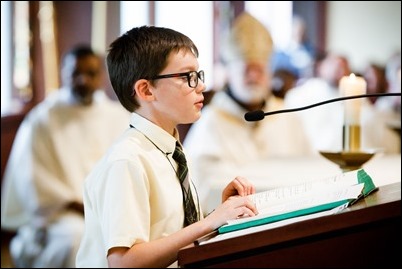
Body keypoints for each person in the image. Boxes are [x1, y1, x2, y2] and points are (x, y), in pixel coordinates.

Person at [75, 26, 258, 268]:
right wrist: (209, 222)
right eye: (186, 77)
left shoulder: (168, 148)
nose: (200, 86)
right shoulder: (127, 160)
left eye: (198, 75)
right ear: (146, 90)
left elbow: (168, 233)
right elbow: (123, 262)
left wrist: (219, 213)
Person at [1, 44, 130, 267]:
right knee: (77, 238)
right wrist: (77, 203)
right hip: (61, 213)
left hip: (108, 207)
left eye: (90, 73)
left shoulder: (117, 115)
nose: (83, 80)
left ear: (101, 75)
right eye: (75, 73)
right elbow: (33, 177)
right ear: (64, 74)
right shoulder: (43, 119)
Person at [183, 12, 313, 215]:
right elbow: (199, 186)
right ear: (231, 72)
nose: (253, 76)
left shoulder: (288, 116)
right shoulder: (210, 120)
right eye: (246, 70)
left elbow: (307, 173)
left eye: (259, 70)